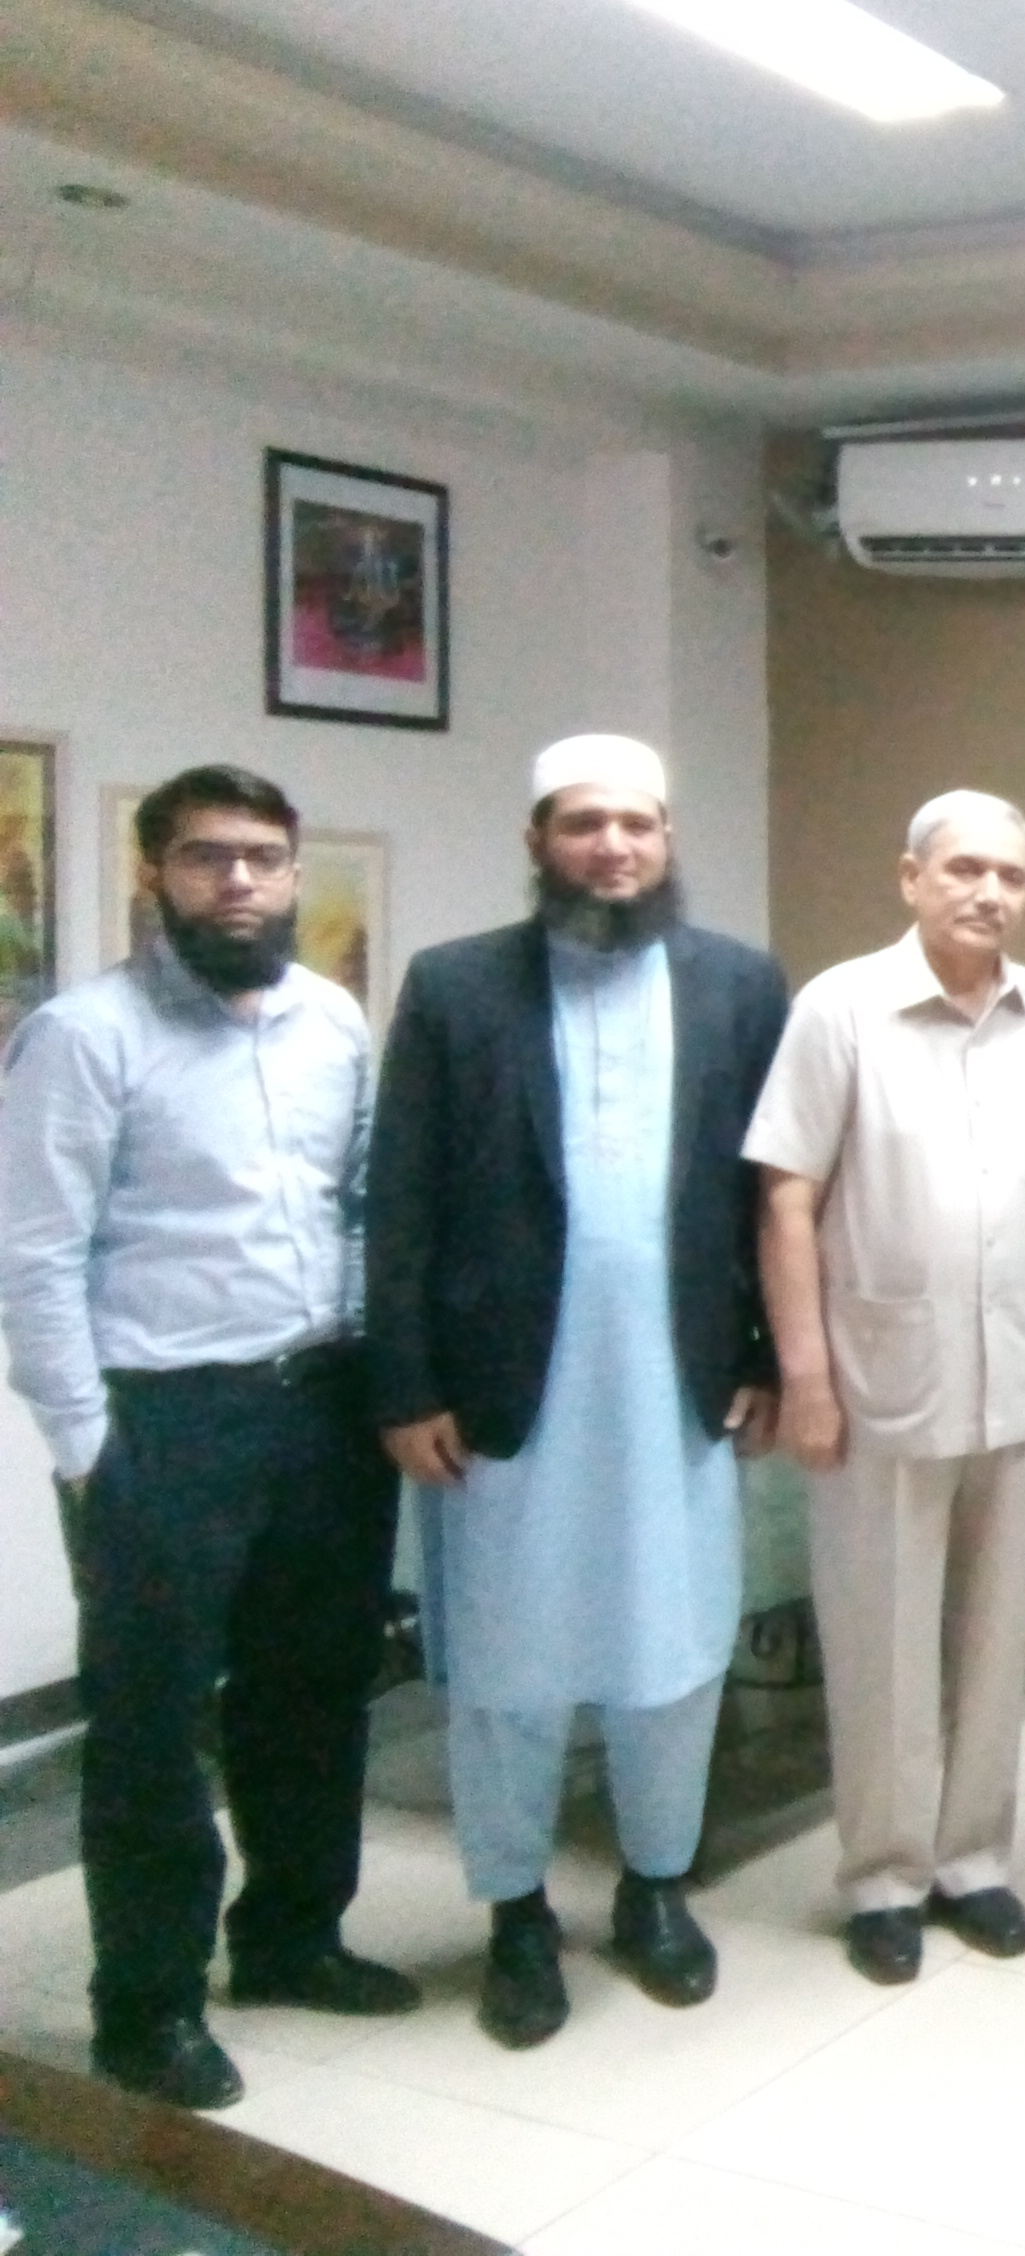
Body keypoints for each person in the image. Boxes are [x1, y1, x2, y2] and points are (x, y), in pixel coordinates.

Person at [368, 735, 790, 2049]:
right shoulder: (456, 987)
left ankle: (657, 1887)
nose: (614, 847)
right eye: (583, 823)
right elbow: (401, 1198)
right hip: (509, 1391)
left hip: (679, 1382)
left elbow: (773, 1195)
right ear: (538, 839)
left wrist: (772, 1358)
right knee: (508, 1663)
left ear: (668, 839)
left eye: (637, 824)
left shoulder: (738, 984)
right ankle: (515, 1911)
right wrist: (406, 1384)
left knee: (676, 1646)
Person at [0, 766, 412, 2109]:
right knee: (152, 1721)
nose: (238, 880)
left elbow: (359, 1207)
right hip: (163, 1422)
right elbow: (34, 1256)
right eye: (205, 857)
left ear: (293, 873)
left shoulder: (332, 1021)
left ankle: (291, 1938)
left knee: (314, 1689)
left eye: (262, 858)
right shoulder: (83, 1037)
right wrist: (86, 1450)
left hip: (323, 1409)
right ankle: (148, 2004)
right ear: (155, 877)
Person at [748, 791, 1025, 1986]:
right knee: (882, 1645)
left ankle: (973, 1861)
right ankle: (886, 1875)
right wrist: (804, 1373)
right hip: (878, 1383)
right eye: (964, 869)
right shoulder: (841, 1007)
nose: (988, 893)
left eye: (1010, 875)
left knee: (998, 1637)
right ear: (911, 877)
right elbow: (788, 1195)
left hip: (1019, 1378)